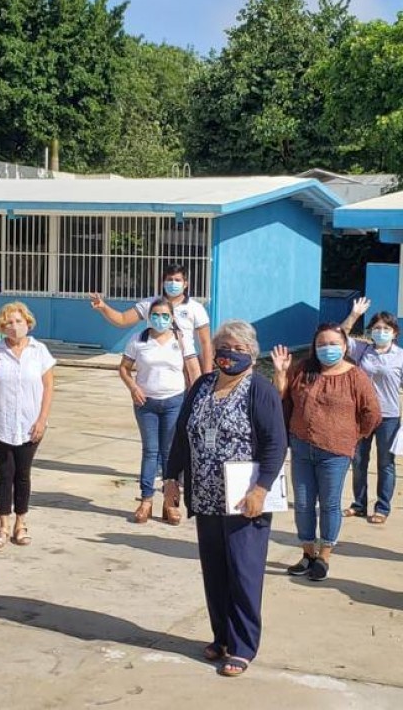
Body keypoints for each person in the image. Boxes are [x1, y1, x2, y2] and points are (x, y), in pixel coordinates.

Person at [164, 320, 287, 677]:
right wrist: (172, 478)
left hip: (244, 498)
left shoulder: (259, 389)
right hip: (205, 496)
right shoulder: (202, 385)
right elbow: (182, 435)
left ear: (251, 352)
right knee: (215, 572)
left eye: (238, 349)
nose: (229, 354)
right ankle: (222, 637)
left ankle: (244, 645)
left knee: (243, 572)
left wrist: (261, 488)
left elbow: (276, 444)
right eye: (224, 348)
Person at [273, 323, 380, 582]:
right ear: (314, 347)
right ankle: (307, 553)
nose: (327, 349)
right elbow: (281, 397)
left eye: (333, 344)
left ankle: (324, 556)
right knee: (303, 503)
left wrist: (352, 435)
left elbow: (372, 413)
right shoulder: (303, 370)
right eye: (322, 344)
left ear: (344, 346)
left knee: (330, 504)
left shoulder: (355, 376)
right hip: (301, 447)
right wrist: (279, 372)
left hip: (335, 452)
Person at [0, 301, 55, 549]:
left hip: (30, 424)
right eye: (8, 323)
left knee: (23, 475)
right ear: (1, 327)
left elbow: (48, 387)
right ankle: (3, 525)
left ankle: (21, 523)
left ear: (28, 323)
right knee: (4, 474)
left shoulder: (39, 351)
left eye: (19, 322)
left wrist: (42, 419)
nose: (14, 327)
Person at [119, 298, 194, 524]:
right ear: (149, 317)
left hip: (174, 401)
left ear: (172, 318)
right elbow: (124, 368)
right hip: (146, 404)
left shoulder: (181, 340)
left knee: (170, 453)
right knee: (150, 451)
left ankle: (170, 503)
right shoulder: (138, 340)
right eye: (155, 315)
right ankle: (146, 500)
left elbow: (192, 369)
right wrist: (133, 387)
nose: (159, 320)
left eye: (164, 315)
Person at [89, 263, 212, 383]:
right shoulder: (150, 304)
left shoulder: (196, 308)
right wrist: (103, 307)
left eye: (177, 280)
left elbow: (205, 343)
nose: (173, 283)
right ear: (163, 283)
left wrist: (207, 376)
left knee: (192, 401)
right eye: (169, 279)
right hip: (156, 361)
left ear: (185, 284)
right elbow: (122, 319)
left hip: (186, 361)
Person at [340, 297, 402, 524]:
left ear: (394, 333)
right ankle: (359, 504)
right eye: (377, 328)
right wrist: (354, 314)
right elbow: (340, 336)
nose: (381, 332)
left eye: (386, 328)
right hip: (361, 415)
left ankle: (382, 507)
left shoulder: (400, 356)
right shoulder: (362, 350)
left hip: (389, 417)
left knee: (385, 464)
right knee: (358, 461)